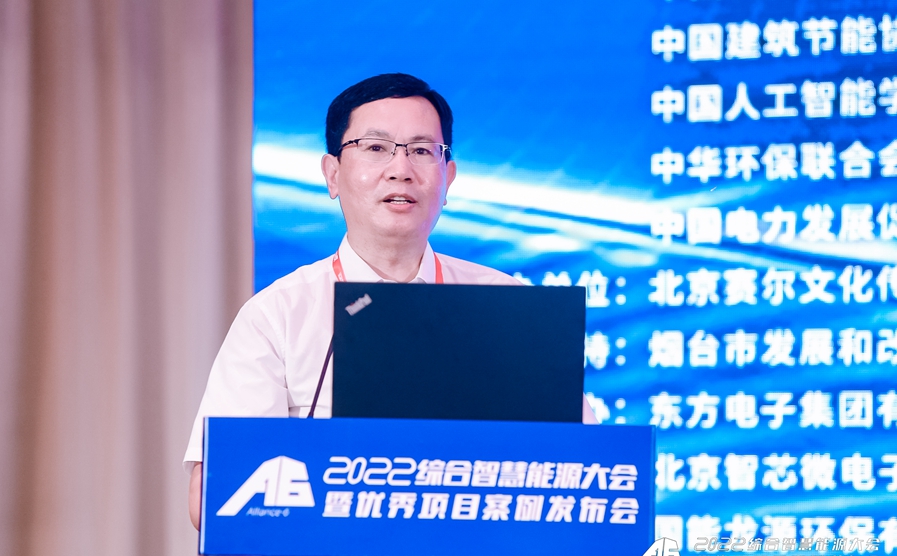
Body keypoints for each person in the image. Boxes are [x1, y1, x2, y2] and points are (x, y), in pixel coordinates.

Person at [185, 73, 597, 529]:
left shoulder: (511, 309)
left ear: (448, 177)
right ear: (332, 174)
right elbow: (214, 495)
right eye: (376, 147)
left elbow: (591, 471)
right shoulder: (279, 314)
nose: (400, 169)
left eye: (421, 151)